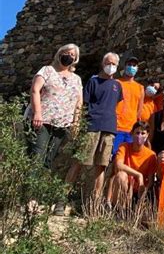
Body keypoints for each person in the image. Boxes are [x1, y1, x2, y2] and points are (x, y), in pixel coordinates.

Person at [64, 52, 123, 212]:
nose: (111, 66)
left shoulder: (117, 85)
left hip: (109, 128)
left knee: (101, 166)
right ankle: (62, 198)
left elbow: (115, 104)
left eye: (114, 64)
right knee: (79, 161)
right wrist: (79, 123)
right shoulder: (93, 81)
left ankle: (94, 205)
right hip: (92, 126)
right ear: (103, 63)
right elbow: (84, 103)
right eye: (108, 62)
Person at [26, 43, 82, 169]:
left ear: (75, 59)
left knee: (49, 161)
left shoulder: (76, 79)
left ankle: (41, 188)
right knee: (37, 157)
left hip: (63, 125)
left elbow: (79, 103)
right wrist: (37, 113)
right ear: (60, 54)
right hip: (42, 121)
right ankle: (29, 187)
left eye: (72, 55)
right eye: (67, 53)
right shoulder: (47, 70)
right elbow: (35, 90)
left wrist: (76, 123)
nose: (69, 56)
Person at [108, 121, 157, 208]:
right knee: (121, 175)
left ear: (147, 135)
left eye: (143, 133)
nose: (139, 136)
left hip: (139, 191)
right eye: (137, 133)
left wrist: (143, 192)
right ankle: (118, 209)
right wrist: (138, 175)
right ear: (132, 134)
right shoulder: (124, 147)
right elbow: (119, 165)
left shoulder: (151, 155)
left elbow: (151, 181)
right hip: (124, 186)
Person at [113, 56, 144, 154]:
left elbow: (139, 111)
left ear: (137, 68)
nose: (132, 67)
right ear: (125, 66)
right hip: (116, 127)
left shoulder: (140, 88)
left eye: (134, 65)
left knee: (128, 158)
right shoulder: (117, 83)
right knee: (112, 155)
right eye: (129, 65)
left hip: (131, 130)